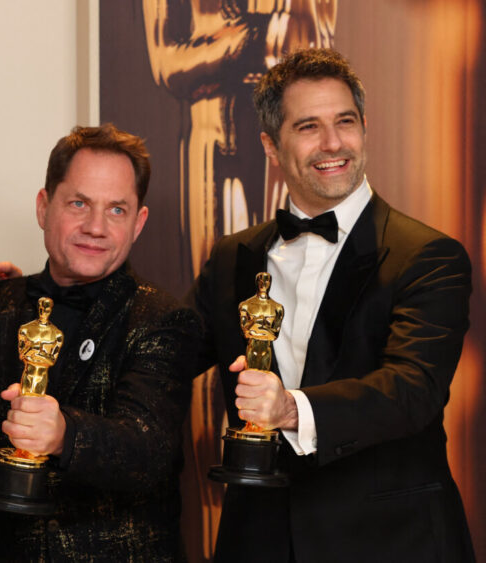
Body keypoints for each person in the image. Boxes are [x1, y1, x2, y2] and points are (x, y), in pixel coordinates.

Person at [188, 48, 474, 562]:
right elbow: (162, 349)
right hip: (259, 541)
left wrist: (289, 408)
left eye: (345, 122)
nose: (333, 143)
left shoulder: (429, 255)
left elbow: (413, 390)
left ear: (364, 126)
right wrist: (27, 294)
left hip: (391, 542)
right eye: (308, 127)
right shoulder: (234, 256)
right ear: (270, 146)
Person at [0, 124, 200, 562]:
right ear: (43, 207)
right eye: (79, 203)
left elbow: (148, 450)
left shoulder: (164, 318)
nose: (96, 226)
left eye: (116, 210)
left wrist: (64, 434)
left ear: (138, 223)